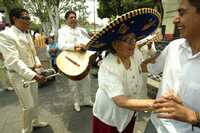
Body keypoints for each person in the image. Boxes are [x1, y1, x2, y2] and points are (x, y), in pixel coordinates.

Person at [89, 8, 161, 133]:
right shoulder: (108, 66)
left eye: (134, 39)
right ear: (115, 44)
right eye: (128, 40)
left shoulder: (136, 54)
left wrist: (152, 61)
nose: (133, 44)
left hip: (129, 113)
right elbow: (121, 101)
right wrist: (156, 104)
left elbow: (142, 67)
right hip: (109, 117)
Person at [142, 0, 200, 132]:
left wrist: (194, 116)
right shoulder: (173, 47)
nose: (175, 20)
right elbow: (151, 67)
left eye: (182, 12)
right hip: (155, 124)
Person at [0, 8, 48, 133]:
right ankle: (26, 130)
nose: (29, 20)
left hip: (32, 73)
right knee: (28, 105)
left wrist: (37, 64)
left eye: (29, 18)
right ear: (15, 19)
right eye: (25, 18)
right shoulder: (5, 35)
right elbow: (13, 61)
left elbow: (33, 53)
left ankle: (35, 122)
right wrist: (34, 75)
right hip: (18, 75)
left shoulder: (27, 33)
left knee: (35, 101)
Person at [58, 10, 93, 112]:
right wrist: (75, 46)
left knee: (87, 80)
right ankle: (76, 102)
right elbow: (61, 45)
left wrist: (85, 45)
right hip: (70, 60)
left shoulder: (82, 30)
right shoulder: (62, 31)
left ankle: (87, 100)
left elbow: (88, 41)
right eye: (71, 17)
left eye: (74, 17)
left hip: (83, 58)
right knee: (73, 83)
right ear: (66, 20)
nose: (73, 19)